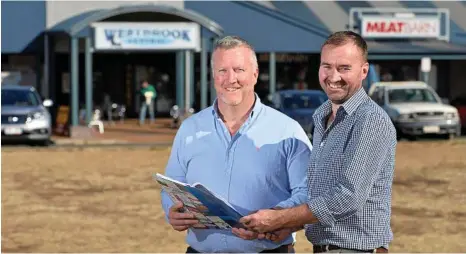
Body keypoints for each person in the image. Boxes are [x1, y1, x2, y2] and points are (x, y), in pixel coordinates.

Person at [239, 31, 397, 253]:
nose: (333, 77)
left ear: (364, 71)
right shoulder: (323, 117)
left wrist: (280, 218)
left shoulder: (369, 120)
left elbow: (347, 198)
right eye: (327, 66)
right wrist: (291, 224)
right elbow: (322, 195)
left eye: (344, 68)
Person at [160, 35, 312, 253]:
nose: (231, 79)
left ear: (255, 74)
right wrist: (172, 211)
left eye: (239, 70)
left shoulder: (287, 130)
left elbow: (308, 190)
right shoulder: (189, 129)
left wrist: (275, 217)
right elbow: (172, 185)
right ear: (213, 77)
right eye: (222, 71)